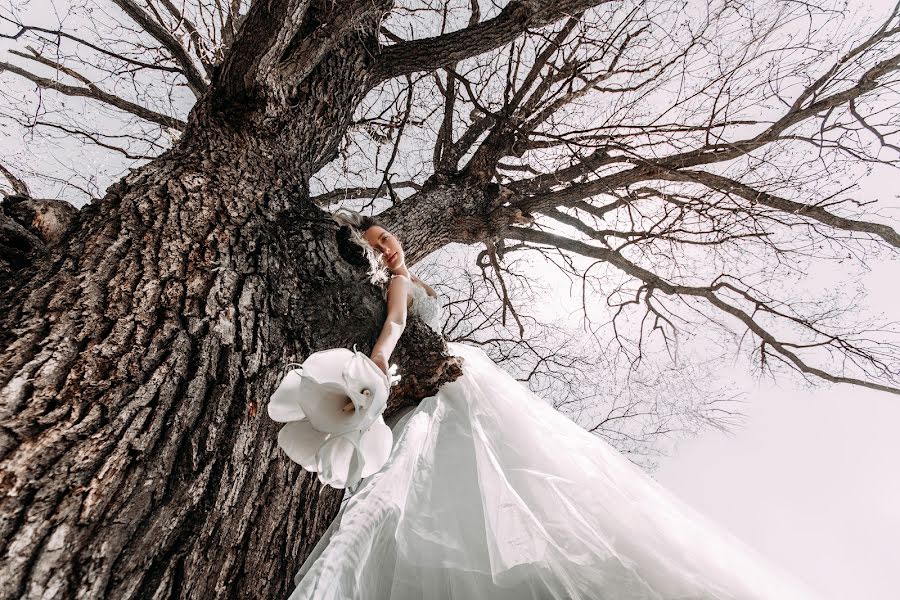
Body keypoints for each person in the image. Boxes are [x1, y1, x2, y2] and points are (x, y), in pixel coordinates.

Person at [285, 209, 822, 600]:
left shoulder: (405, 276)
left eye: (388, 240)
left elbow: (403, 320)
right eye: (378, 244)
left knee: (485, 464)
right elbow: (395, 321)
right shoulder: (387, 280)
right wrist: (379, 359)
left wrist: (382, 355)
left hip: (449, 374)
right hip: (420, 377)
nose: (388, 249)